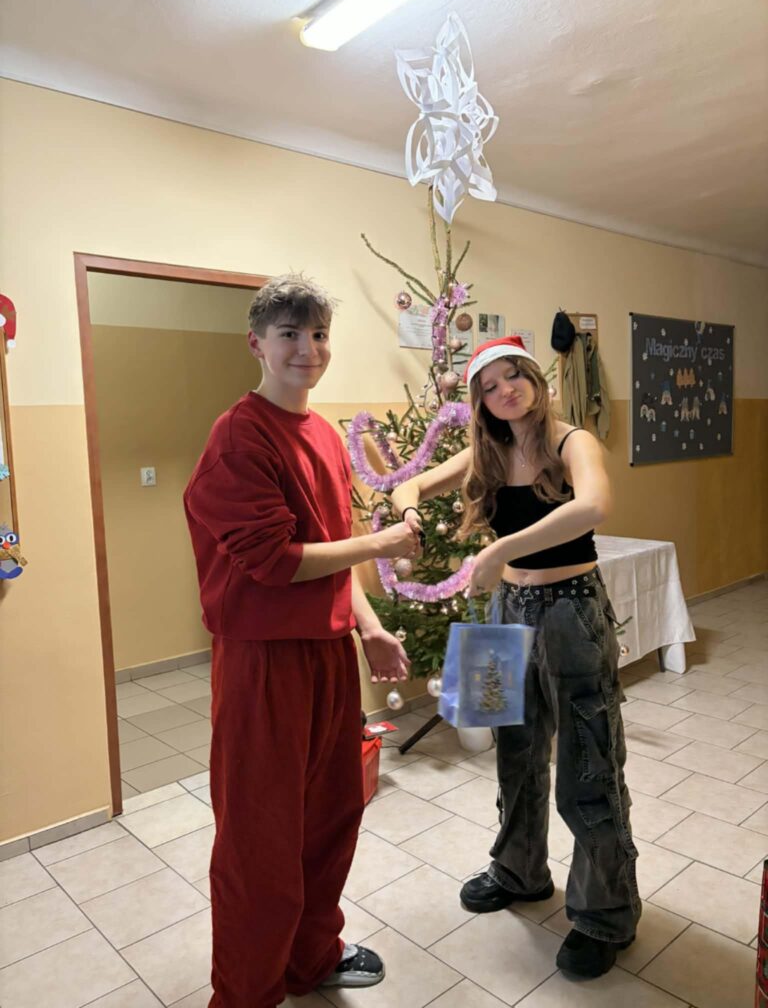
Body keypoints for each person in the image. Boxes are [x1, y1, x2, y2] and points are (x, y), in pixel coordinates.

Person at [184, 274, 419, 1008]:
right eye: (289, 334)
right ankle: (247, 993)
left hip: (326, 654)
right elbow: (277, 562)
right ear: (256, 344)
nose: (307, 349)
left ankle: (310, 958)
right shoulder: (238, 437)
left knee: (330, 816)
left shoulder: (322, 433)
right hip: (262, 661)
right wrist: (382, 542)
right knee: (260, 839)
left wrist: (370, 628)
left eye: (318, 334)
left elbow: (331, 547)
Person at [391, 335, 640, 978]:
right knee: (514, 754)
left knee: (589, 766)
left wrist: (500, 550)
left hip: (571, 612)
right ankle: (519, 871)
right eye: (490, 384)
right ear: (479, 399)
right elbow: (409, 484)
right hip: (504, 614)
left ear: (534, 376)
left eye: (514, 376)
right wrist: (411, 513)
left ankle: (605, 915)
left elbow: (594, 505)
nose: (506, 390)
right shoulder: (488, 451)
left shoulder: (571, 441)